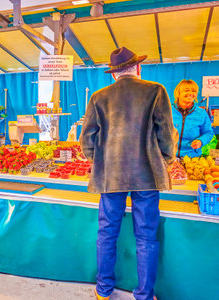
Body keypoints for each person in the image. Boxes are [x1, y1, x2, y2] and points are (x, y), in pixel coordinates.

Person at [80, 47, 178, 300]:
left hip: (111, 175)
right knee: (146, 236)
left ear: (114, 74)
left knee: (106, 233)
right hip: (146, 174)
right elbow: (166, 132)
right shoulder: (155, 91)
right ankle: (144, 295)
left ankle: (103, 290)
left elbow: (87, 139)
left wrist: (99, 160)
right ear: (138, 68)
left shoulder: (99, 97)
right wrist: (165, 159)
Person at [172, 79, 214, 158]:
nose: (191, 93)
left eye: (194, 91)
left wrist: (201, 141)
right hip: (169, 156)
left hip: (192, 157)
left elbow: (208, 132)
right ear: (178, 93)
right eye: (187, 90)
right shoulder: (168, 111)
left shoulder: (201, 113)